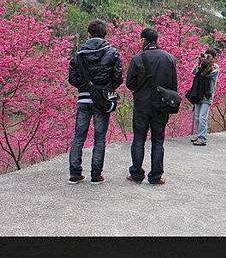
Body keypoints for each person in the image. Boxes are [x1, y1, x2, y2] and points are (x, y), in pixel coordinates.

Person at [67, 19, 123, 184]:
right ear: (104, 33)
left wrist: (84, 86)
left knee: (78, 137)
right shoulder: (112, 52)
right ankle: (96, 175)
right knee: (100, 138)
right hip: (102, 101)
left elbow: (72, 78)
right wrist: (105, 89)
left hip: (83, 99)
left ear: (89, 33)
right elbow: (118, 78)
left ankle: (75, 174)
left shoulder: (78, 53)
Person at [126, 28, 177, 185]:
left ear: (144, 40)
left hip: (142, 105)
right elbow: (173, 86)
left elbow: (129, 83)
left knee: (139, 139)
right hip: (161, 105)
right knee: (158, 140)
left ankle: (136, 174)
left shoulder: (137, 59)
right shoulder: (169, 58)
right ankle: (155, 176)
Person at [190, 49, 219, 146]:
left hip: (207, 94)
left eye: (209, 56)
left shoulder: (215, 67)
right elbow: (194, 72)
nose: (207, 58)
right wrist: (199, 62)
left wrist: (204, 64)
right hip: (198, 93)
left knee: (203, 117)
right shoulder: (202, 64)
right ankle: (199, 135)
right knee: (197, 116)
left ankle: (202, 138)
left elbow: (207, 74)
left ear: (214, 57)